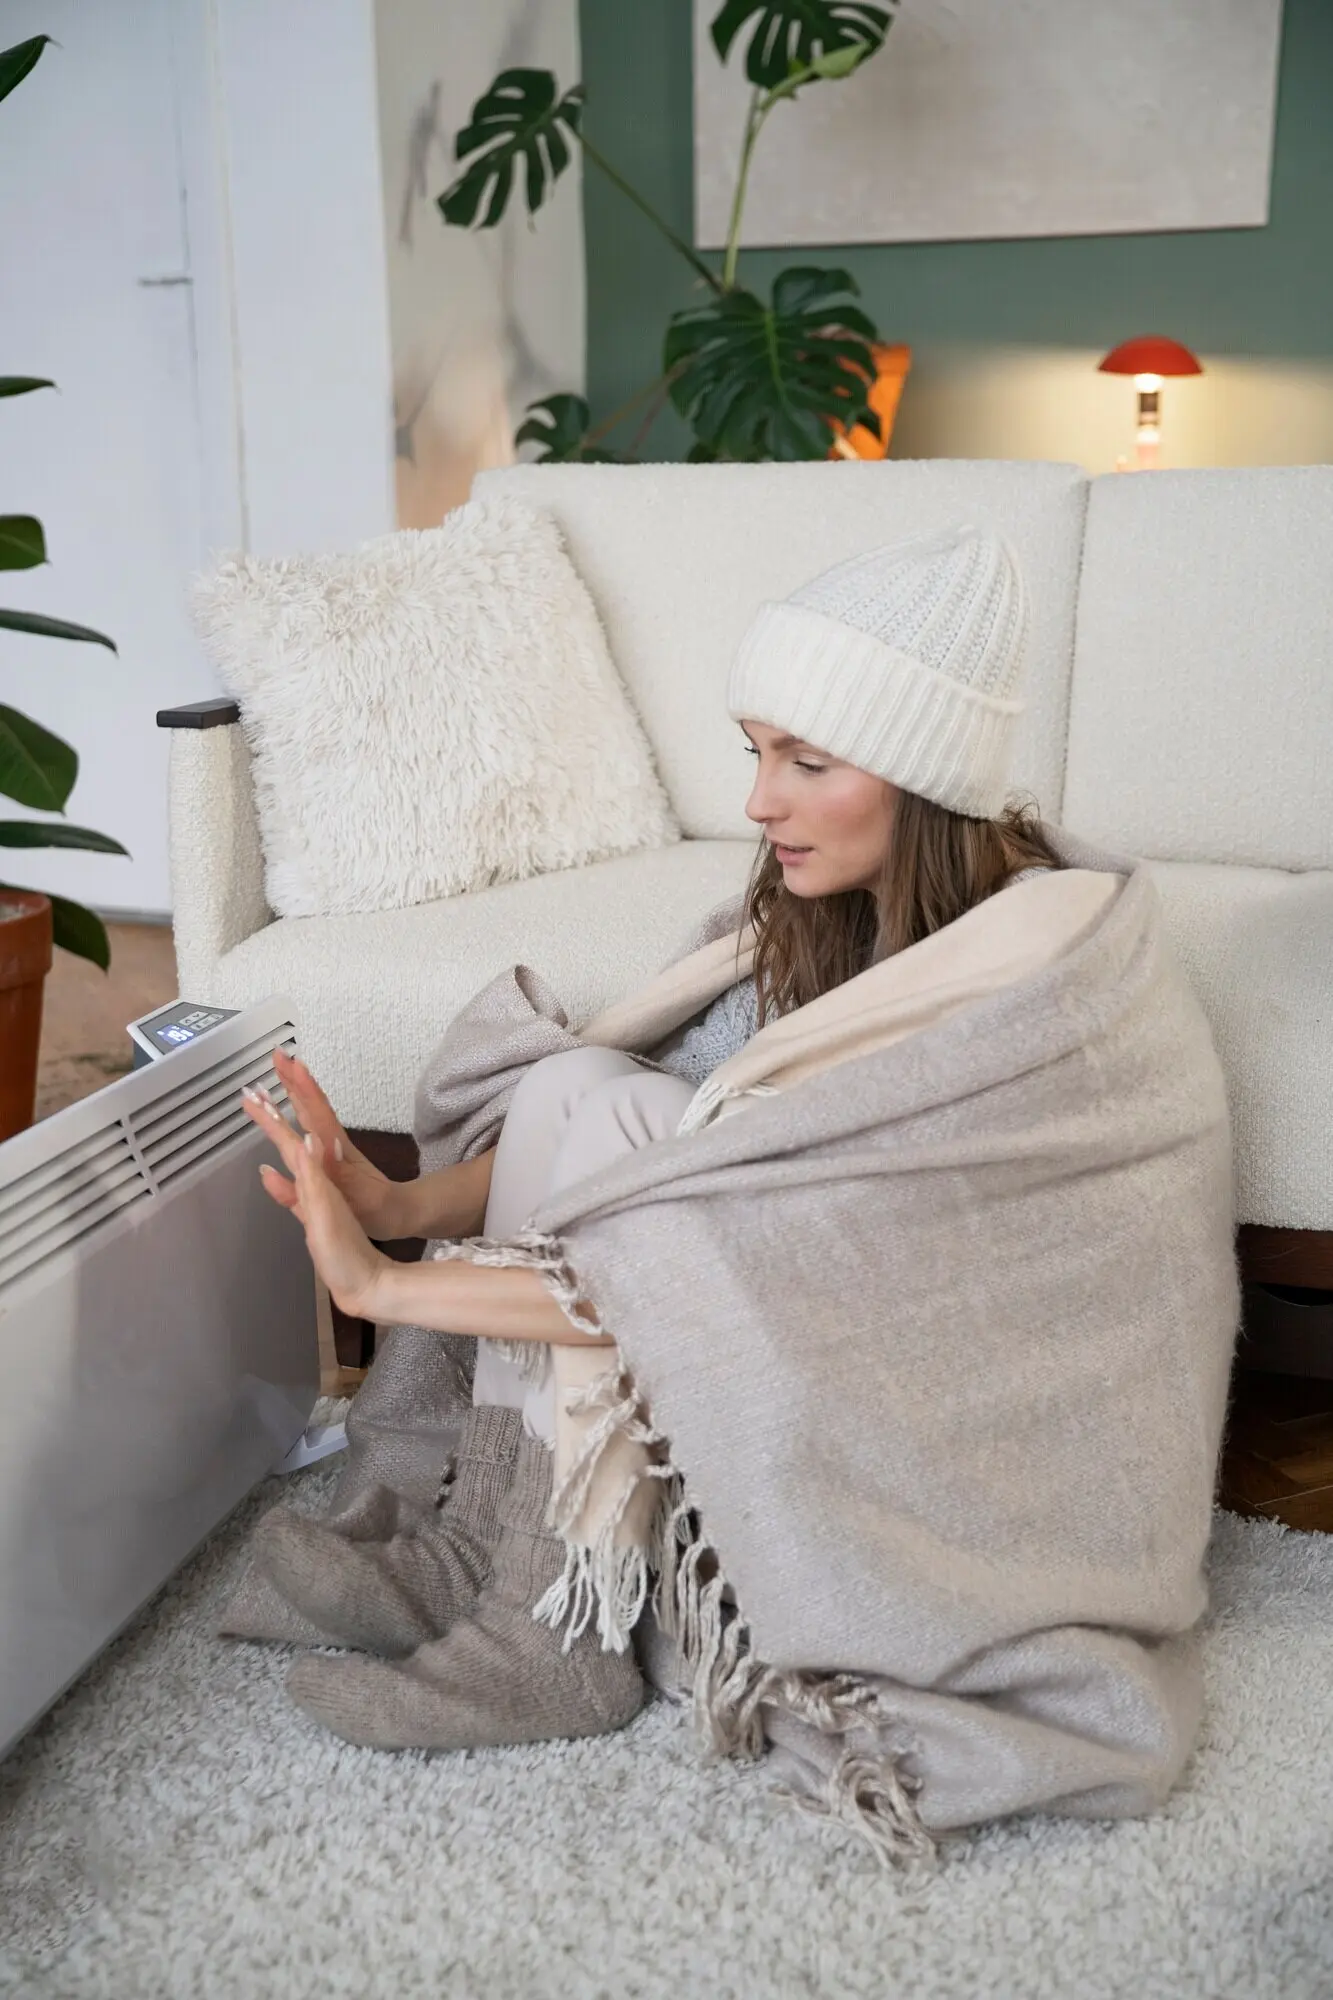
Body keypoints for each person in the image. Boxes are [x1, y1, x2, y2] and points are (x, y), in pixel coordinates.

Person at [232, 523, 1223, 1824]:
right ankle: (497, 1553)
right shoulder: (822, 913)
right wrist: (402, 1206)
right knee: (583, 1085)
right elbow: (668, 1135)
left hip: (938, 1396)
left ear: (923, 780)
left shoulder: (1023, 987)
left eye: (807, 761)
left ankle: (553, 1628)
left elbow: (742, 1256)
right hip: (784, 1294)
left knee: (637, 1144)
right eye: (755, 753)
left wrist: (386, 1288)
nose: (761, 802)